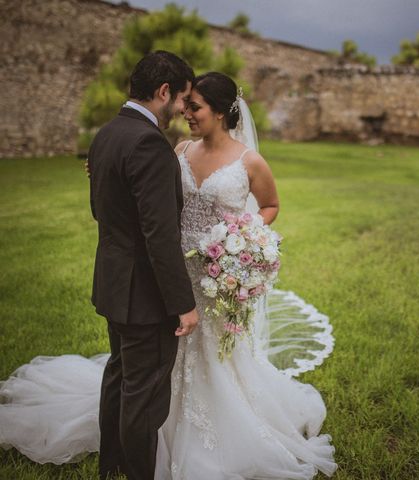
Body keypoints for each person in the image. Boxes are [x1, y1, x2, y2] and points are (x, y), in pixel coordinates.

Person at [152, 71, 336, 479]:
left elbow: (270, 205)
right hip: (176, 269)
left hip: (219, 273)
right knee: (169, 346)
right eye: (186, 105)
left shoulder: (249, 161)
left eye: (194, 107)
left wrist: (244, 235)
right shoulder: (181, 148)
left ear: (220, 112)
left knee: (214, 350)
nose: (185, 112)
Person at [88, 51, 200, 480]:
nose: (181, 111)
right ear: (164, 91)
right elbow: (159, 235)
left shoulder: (108, 133)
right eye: (181, 100)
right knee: (144, 394)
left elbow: (102, 210)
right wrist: (182, 304)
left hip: (114, 285)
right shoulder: (149, 142)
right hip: (145, 296)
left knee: (119, 376)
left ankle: (110, 466)